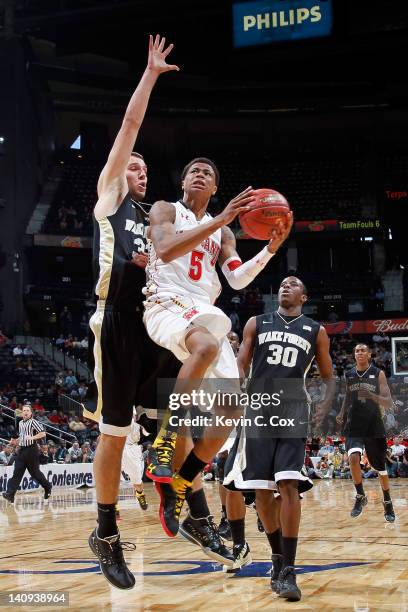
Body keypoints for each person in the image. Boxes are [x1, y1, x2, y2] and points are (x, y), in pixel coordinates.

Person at [143, 159, 292, 539]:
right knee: (208, 345)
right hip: (165, 301)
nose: (199, 174)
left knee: (231, 408)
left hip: (202, 310)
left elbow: (237, 279)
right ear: (183, 181)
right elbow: (164, 250)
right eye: (193, 170)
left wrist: (271, 249)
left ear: (213, 189)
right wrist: (221, 218)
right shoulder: (166, 210)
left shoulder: (224, 234)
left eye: (208, 174)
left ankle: (182, 482)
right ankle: (163, 440)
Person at [83, 34, 180, 591]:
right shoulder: (109, 198)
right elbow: (128, 130)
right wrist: (150, 75)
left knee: (182, 402)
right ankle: (106, 533)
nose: (138, 173)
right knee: (115, 435)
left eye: (143, 171)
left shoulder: (155, 219)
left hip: (152, 321)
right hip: (115, 321)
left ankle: (170, 485)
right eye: (132, 168)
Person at [223, 276, 334, 601]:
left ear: (304, 294)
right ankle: (276, 557)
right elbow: (241, 362)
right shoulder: (257, 323)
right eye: (282, 283)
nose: (285, 285)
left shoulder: (316, 330)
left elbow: (328, 377)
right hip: (258, 407)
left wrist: (325, 407)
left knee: (287, 484)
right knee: (261, 490)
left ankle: (289, 569)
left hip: (293, 408)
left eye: (294, 283)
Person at [336, 343, 395, 522]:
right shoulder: (350, 375)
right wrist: (341, 413)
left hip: (373, 424)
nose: (359, 353)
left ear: (369, 354)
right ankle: (360, 496)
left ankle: (387, 501)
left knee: (380, 469)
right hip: (354, 423)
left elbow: (388, 401)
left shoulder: (378, 374)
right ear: (354, 355)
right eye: (356, 351)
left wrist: (371, 396)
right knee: (353, 458)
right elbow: (347, 395)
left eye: (362, 350)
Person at [2, 404, 52, 503]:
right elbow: (22, 437)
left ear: (31, 413)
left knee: (35, 474)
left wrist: (32, 438)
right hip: (22, 450)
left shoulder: (33, 422)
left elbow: (43, 433)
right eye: (24, 410)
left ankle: (47, 487)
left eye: (27, 411)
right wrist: (15, 441)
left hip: (31, 450)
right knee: (17, 472)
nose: (25, 412)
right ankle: (10, 495)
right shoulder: (20, 423)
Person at [120, 410, 149, 510]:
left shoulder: (138, 420)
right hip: (118, 447)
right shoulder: (117, 414)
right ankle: (113, 507)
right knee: (112, 479)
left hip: (133, 449)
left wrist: (144, 424)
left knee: (137, 481)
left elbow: (147, 433)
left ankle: (140, 494)